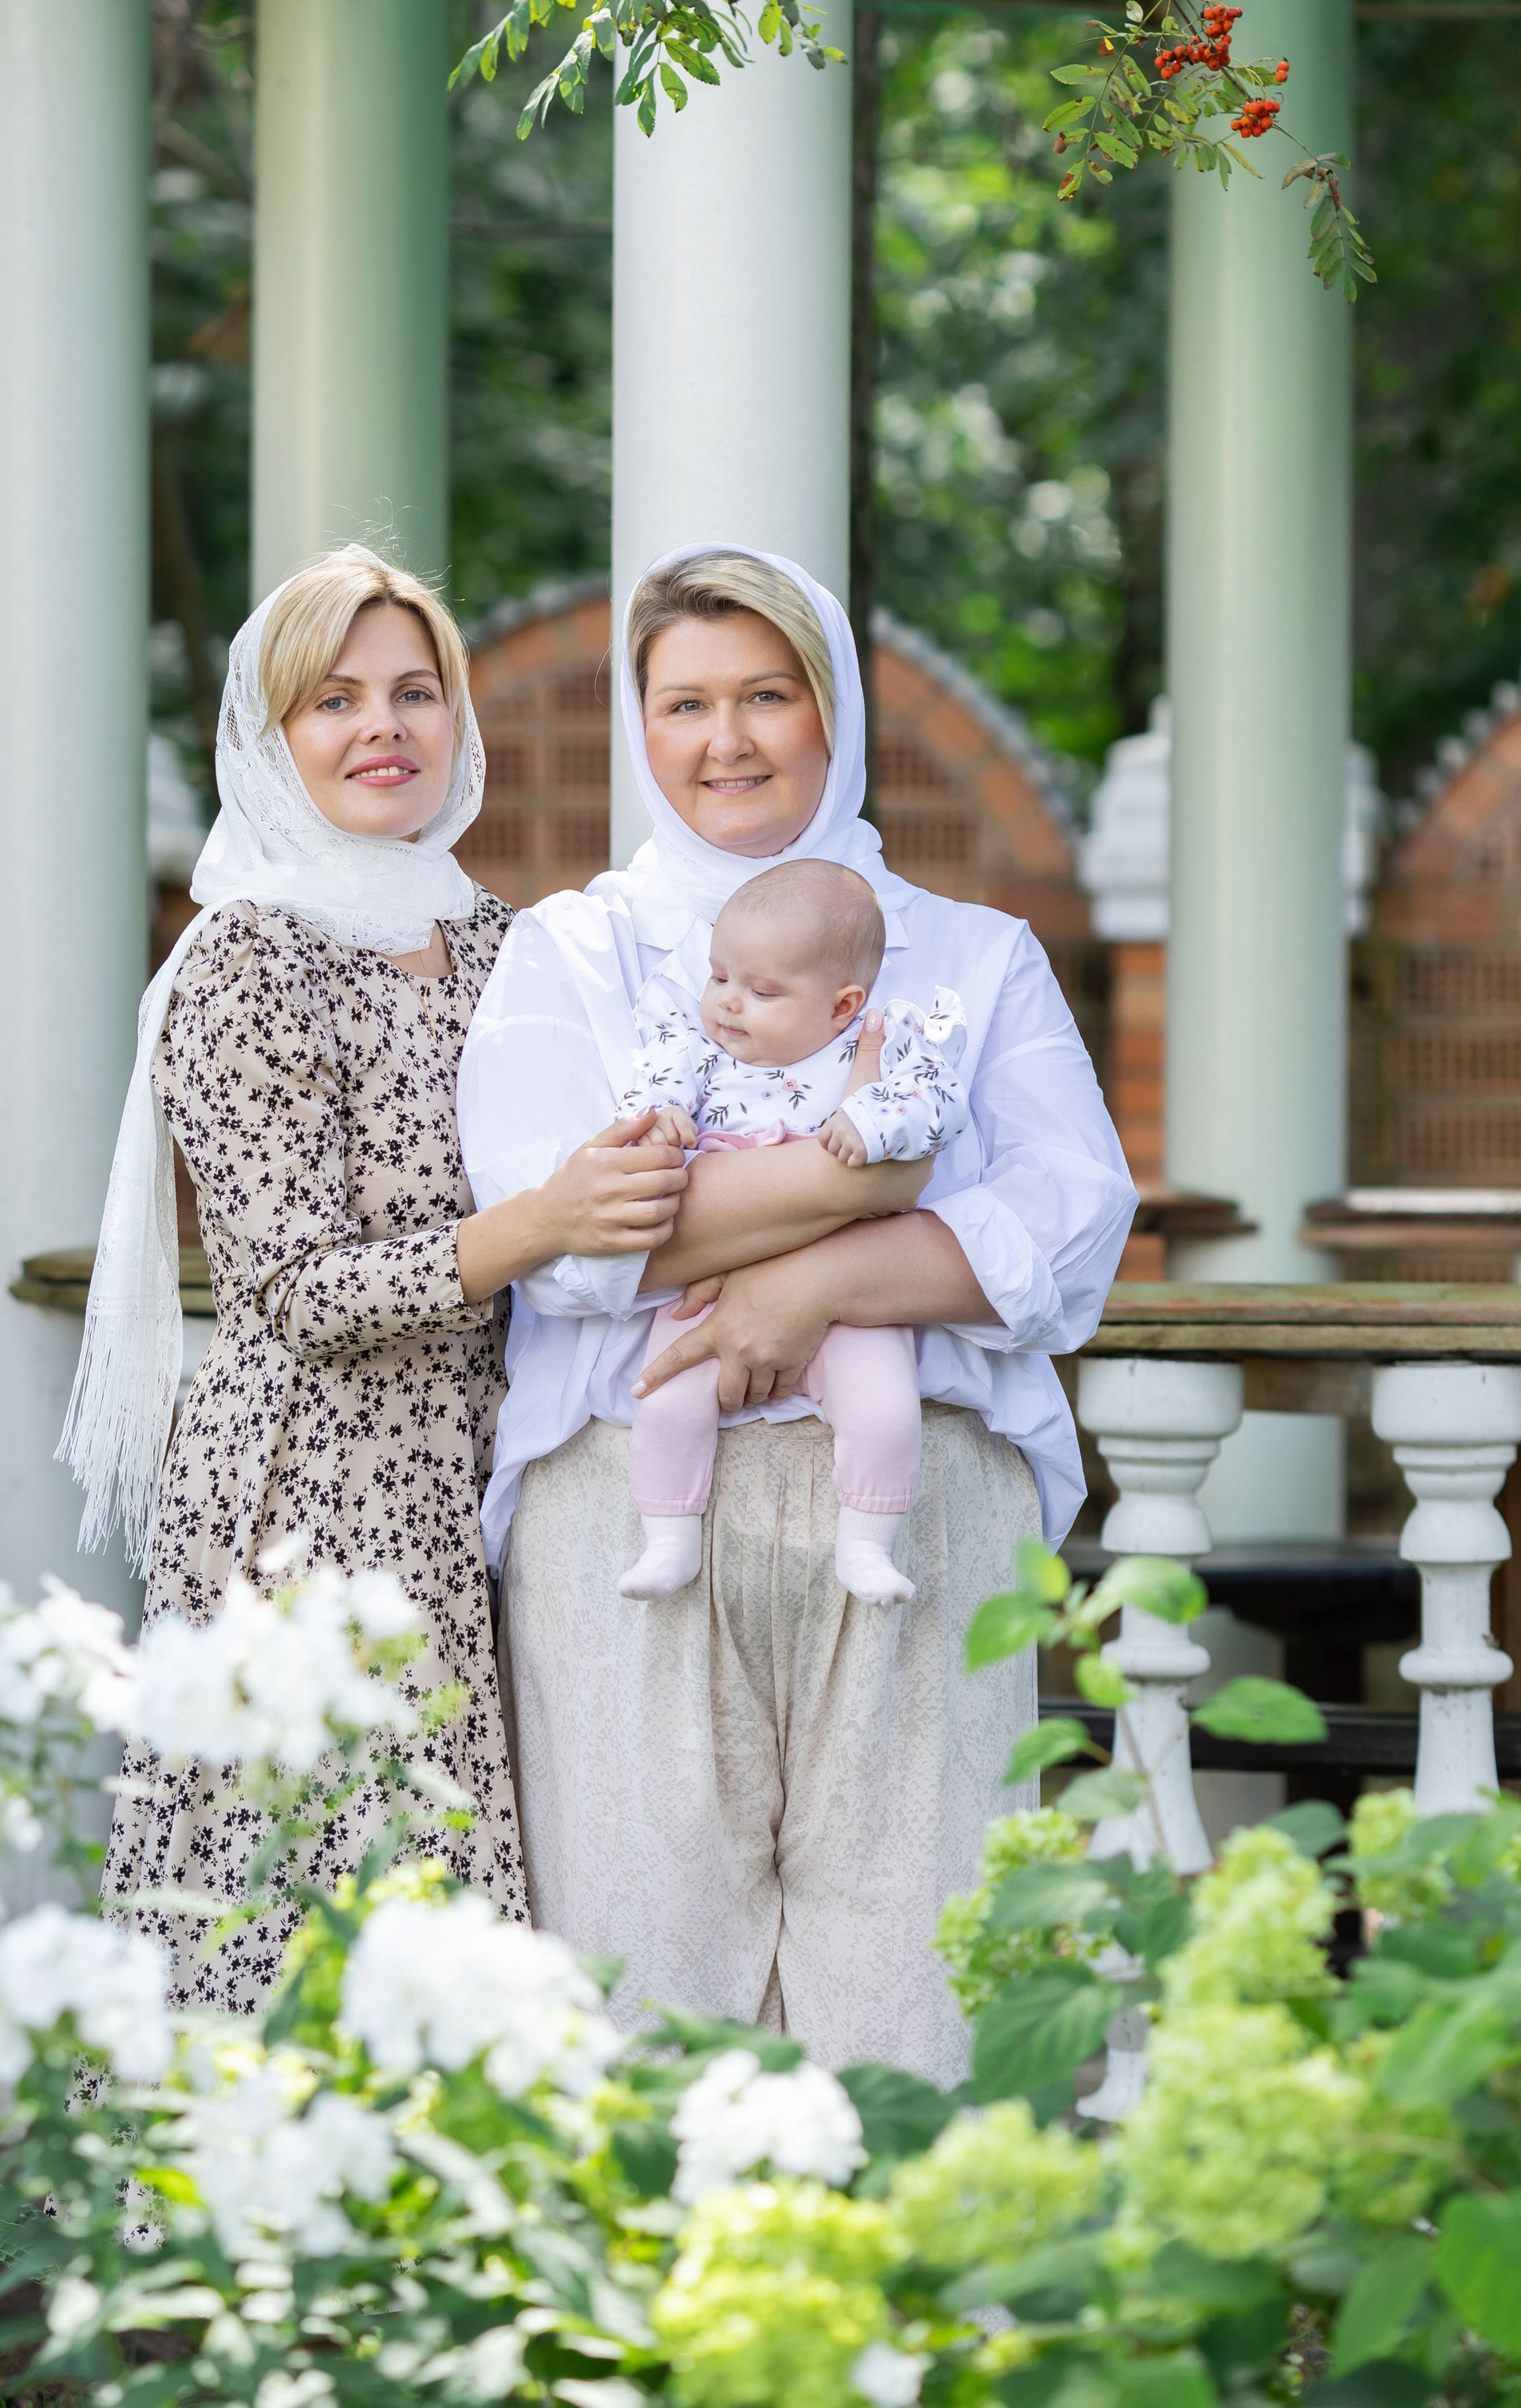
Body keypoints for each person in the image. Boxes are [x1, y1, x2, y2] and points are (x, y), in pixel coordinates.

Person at [456, 541, 1135, 2079]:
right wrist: (883, 1193)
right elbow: (568, 1240)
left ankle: (907, 2304)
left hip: (920, 1500)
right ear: (642, 727)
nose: (727, 742)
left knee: (924, 1949)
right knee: (636, 1951)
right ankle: (652, 2318)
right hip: (626, 1493)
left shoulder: (974, 952)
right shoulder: (571, 949)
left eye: (768, 695)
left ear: (834, 712)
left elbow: (1073, 1225)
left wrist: (810, 1285)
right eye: (685, 703)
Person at [64, 545, 689, 2015]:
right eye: (333, 700)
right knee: (326, 1906)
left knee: (493, 1892)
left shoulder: (504, 943)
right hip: (313, 1491)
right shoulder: (243, 963)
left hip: (501, 1456)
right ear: (270, 739)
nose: (383, 726)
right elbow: (292, 1289)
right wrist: (542, 1222)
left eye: (416, 690)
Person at [616, 857, 968, 1609]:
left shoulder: (878, 1045)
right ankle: (668, 1539)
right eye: (719, 978)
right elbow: (650, 1085)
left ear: (842, 1006)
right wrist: (665, 1120)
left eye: (762, 990)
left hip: (848, 1283)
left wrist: (871, 1122)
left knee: (883, 1407)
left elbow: (938, 1108)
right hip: (715, 1277)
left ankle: (867, 1544)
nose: (728, 1004)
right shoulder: (700, 1051)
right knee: (667, 1399)